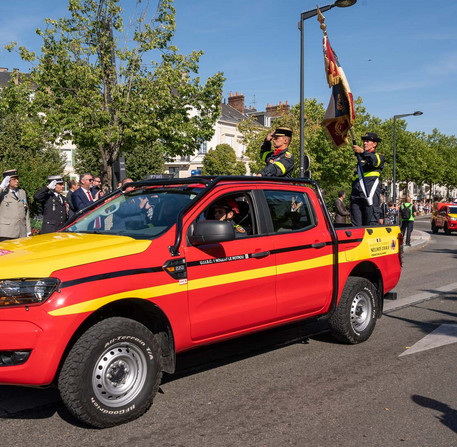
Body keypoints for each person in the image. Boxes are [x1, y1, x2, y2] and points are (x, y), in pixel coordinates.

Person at [350, 132, 385, 226]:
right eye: (364, 141)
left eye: (367, 141)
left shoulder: (378, 156)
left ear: (375, 144)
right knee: (356, 224)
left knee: (370, 224)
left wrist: (362, 152)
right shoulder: (360, 159)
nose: (364, 143)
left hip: (370, 194)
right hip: (356, 195)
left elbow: (375, 161)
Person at [0, 169, 31, 241]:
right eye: (14, 179)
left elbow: (26, 212)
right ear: (7, 180)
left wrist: (28, 230)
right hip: (7, 233)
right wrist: (1, 186)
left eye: (17, 179)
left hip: (21, 232)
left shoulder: (22, 192)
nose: (17, 181)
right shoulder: (3, 193)